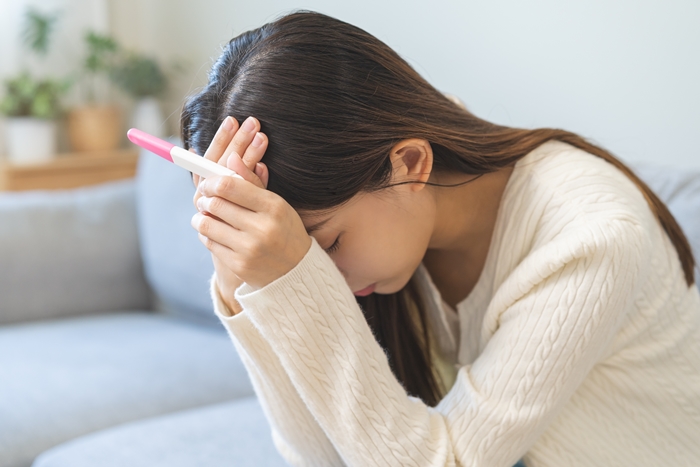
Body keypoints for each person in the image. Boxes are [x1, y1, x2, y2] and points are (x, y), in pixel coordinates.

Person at [182, 10, 700, 467]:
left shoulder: (592, 239)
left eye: (329, 244)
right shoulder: (409, 203)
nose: (324, 278)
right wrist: (242, 280)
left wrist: (297, 279)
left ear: (410, 162)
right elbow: (323, 455)